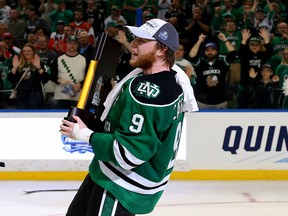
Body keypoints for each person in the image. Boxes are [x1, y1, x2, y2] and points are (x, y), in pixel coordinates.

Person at [60, 18, 198, 215]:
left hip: (120, 185)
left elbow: (128, 154)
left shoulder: (148, 91)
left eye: (141, 41)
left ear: (162, 50)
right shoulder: (166, 80)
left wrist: (84, 135)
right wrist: (95, 126)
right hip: (106, 175)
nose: (133, 44)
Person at [189, 33, 236, 109]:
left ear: (217, 52)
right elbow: (192, 55)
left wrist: (224, 39)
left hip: (220, 102)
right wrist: (199, 41)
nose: (210, 52)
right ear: (204, 52)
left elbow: (233, 54)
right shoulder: (201, 63)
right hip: (203, 102)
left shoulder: (222, 63)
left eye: (212, 50)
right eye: (207, 50)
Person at [7, 43, 49, 109]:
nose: (27, 53)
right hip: (21, 95)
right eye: (24, 51)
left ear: (33, 52)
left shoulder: (40, 63)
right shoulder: (19, 64)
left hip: (35, 95)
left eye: (29, 51)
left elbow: (45, 79)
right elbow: (11, 79)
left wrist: (38, 67)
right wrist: (14, 67)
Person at [50, 35, 87, 109]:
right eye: (70, 43)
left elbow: (90, 76)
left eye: (74, 43)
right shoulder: (58, 58)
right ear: (66, 44)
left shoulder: (85, 59)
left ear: (78, 45)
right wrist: (59, 80)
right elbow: (51, 75)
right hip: (61, 96)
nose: (72, 45)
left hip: (78, 96)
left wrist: (81, 84)